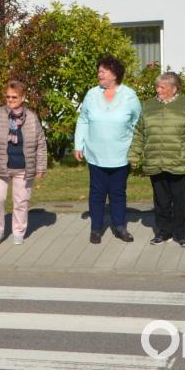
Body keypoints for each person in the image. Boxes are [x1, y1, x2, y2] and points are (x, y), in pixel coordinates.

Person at [128, 71, 185, 247]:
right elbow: (139, 133)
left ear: (174, 88)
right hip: (154, 160)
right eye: (157, 86)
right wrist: (134, 154)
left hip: (179, 160)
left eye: (162, 87)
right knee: (161, 200)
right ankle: (163, 232)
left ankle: (182, 234)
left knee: (180, 200)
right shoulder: (148, 105)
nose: (158, 90)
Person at [74, 56, 141, 244]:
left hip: (121, 154)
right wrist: (78, 144)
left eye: (104, 70)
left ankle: (120, 227)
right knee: (97, 192)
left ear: (115, 74)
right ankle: (96, 228)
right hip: (96, 154)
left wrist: (136, 149)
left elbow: (138, 123)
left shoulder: (129, 95)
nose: (99, 73)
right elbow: (83, 120)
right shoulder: (92, 94)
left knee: (118, 192)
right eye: (99, 70)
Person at [0, 80, 47, 246]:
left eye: (14, 97)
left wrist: (41, 166)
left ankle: (18, 232)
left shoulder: (31, 118)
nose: (10, 100)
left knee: (21, 202)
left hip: (24, 168)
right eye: (8, 97)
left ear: (23, 97)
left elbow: (41, 143)